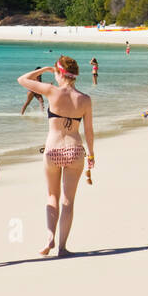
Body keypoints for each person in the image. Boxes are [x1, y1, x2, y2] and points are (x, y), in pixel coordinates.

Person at [19, 57, 95, 257]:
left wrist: (43, 68)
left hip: (52, 151)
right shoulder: (85, 99)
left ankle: (49, 238)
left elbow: (23, 79)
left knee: (52, 196)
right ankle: (62, 248)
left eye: (55, 72)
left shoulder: (51, 91)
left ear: (60, 73)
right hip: (75, 151)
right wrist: (92, 154)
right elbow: (89, 131)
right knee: (68, 201)